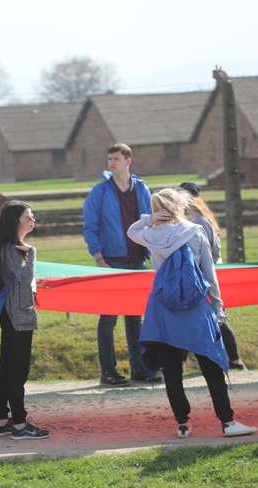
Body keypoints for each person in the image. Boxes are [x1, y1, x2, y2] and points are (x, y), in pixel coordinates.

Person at [127, 188, 258, 439]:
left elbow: (131, 231)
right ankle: (227, 422)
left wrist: (149, 220)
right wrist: (219, 307)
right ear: (179, 206)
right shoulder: (194, 231)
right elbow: (209, 273)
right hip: (195, 305)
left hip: (163, 308)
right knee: (210, 366)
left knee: (172, 370)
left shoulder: (151, 234)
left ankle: (183, 424)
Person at [82, 143, 161, 386]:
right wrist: (99, 258)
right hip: (111, 262)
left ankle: (140, 369)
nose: (111, 162)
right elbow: (90, 228)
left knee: (134, 318)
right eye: (109, 158)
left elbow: (151, 224)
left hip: (138, 261)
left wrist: (153, 255)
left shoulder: (143, 189)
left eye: (116, 158)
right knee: (107, 319)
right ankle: (108, 372)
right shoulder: (100, 191)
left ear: (128, 161)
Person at [0, 201, 50, 440]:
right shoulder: (16, 249)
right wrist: (31, 253)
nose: (32, 220)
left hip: (11, 312)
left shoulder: (4, 247)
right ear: (16, 222)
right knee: (17, 369)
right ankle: (19, 424)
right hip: (18, 315)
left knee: (5, 367)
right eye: (28, 217)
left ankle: (2, 420)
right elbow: (24, 278)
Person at [178, 181, 246, 370]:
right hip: (209, 275)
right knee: (211, 319)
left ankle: (232, 359)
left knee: (208, 319)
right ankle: (233, 359)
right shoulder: (202, 219)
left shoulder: (199, 222)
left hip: (206, 277)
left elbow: (204, 255)